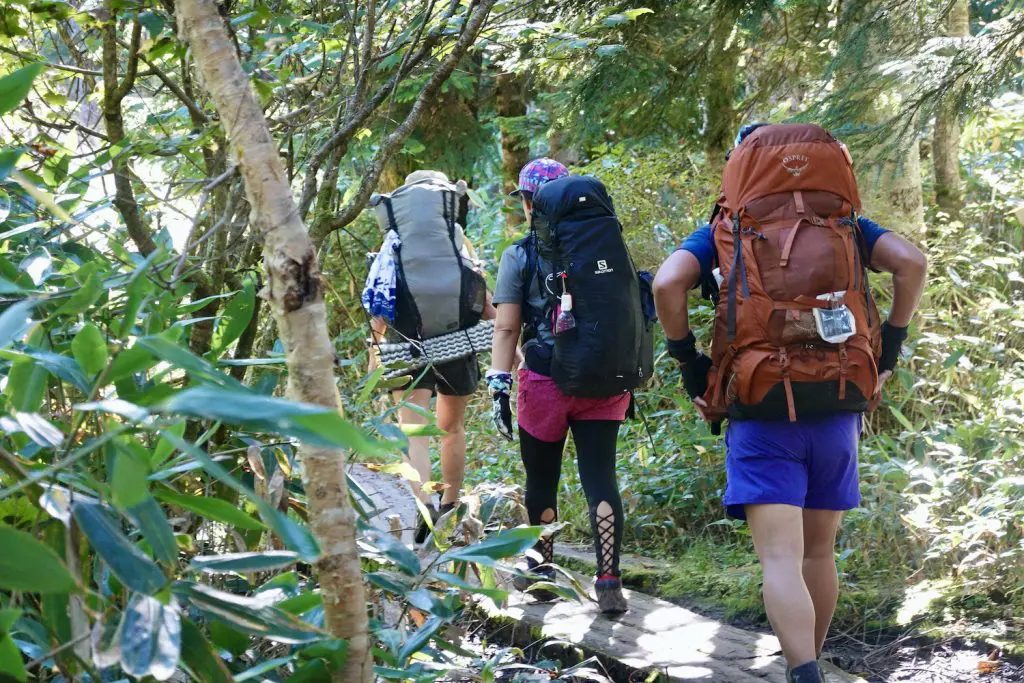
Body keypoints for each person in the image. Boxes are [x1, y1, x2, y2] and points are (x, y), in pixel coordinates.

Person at [653, 124, 927, 682]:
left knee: (779, 558)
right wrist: (889, 345)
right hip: (838, 396)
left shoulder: (726, 228)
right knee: (817, 555)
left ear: (741, 172)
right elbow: (912, 263)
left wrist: (691, 364)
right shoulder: (847, 224)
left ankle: (802, 672)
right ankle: (812, 665)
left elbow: (666, 284)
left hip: (762, 404)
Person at [488, 158, 640, 615]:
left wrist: (499, 383)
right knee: (600, 476)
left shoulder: (520, 254)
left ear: (532, 201)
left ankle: (541, 574)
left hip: (545, 380)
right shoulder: (609, 246)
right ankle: (609, 580)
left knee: (543, 479)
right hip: (606, 380)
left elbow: (505, 329)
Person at [365, 170, 496, 543]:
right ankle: (451, 510)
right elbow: (480, 295)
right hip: (457, 342)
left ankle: (423, 509)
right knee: (451, 429)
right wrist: (508, 342)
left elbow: (381, 298)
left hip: (406, 343)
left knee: (414, 434)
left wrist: (374, 346)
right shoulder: (456, 239)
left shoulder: (394, 238)